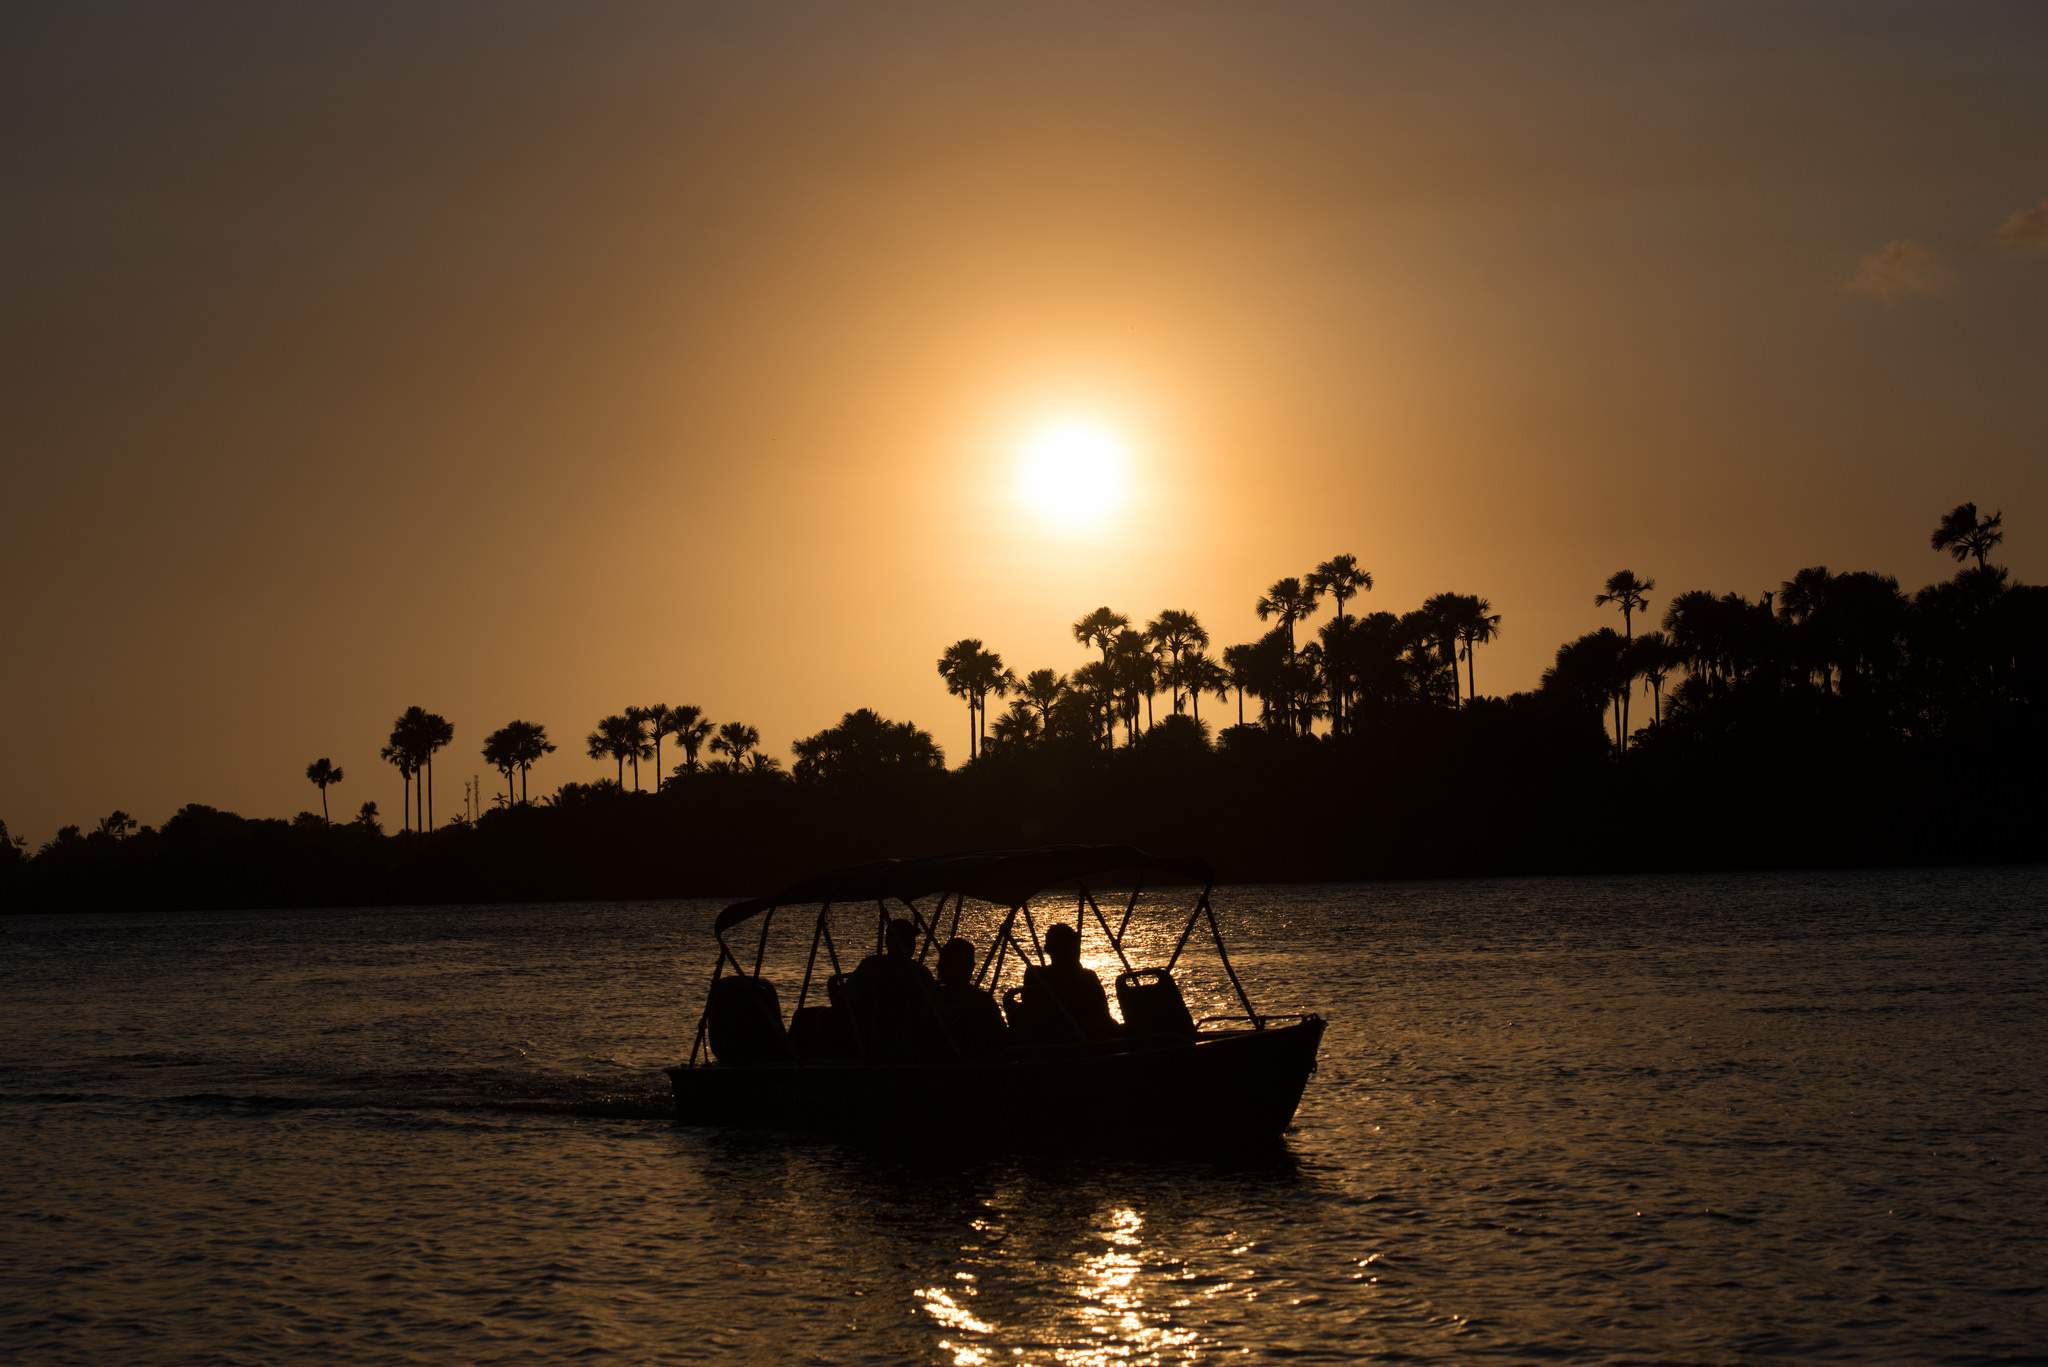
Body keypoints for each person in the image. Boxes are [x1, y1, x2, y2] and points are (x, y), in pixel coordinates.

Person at [847, 917, 939, 1059]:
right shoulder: (919, 973)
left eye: (911, 940)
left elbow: (847, 995)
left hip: (875, 1036)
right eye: (908, 939)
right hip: (896, 1038)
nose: (912, 944)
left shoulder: (870, 965)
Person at [1022, 922, 1119, 1041]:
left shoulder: (1036, 976)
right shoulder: (1087, 978)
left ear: (1048, 949)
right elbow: (1103, 1018)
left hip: (1049, 1041)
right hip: (1086, 1041)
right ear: (1075, 947)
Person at [934, 937, 1008, 1056]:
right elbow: (1002, 1038)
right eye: (969, 962)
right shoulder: (982, 1001)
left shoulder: (931, 997)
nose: (974, 964)